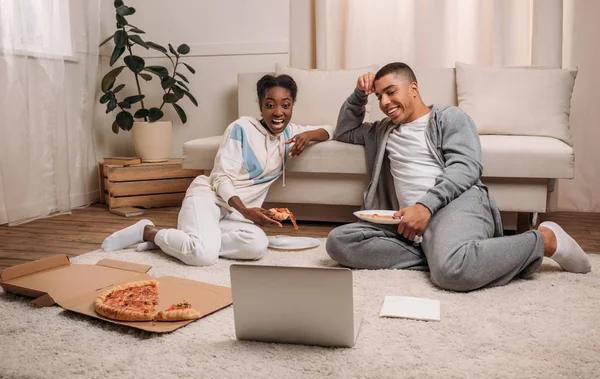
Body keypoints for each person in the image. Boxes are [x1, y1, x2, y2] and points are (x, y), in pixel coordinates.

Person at [325, 62, 591, 292]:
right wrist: (360, 94)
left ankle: (543, 239)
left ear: (413, 89)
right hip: (405, 221)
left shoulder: (449, 118)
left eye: (391, 92)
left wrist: (425, 206)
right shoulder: (381, 132)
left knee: (451, 273)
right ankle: (441, 252)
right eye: (379, 96)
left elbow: (466, 167)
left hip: (455, 204)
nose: (384, 103)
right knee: (339, 242)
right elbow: (344, 131)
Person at [102, 74, 332, 266]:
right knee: (204, 257)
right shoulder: (240, 128)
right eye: (270, 105)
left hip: (232, 216)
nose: (278, 112)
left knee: (257, 245)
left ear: (292, 106)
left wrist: (308, 135)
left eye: (286, 104)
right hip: (208, 198)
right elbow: (220, 178)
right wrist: (246, 211)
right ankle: (149, 232)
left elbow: (330, 129)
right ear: (261, 106)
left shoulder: (291, 134)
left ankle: (194, 238)